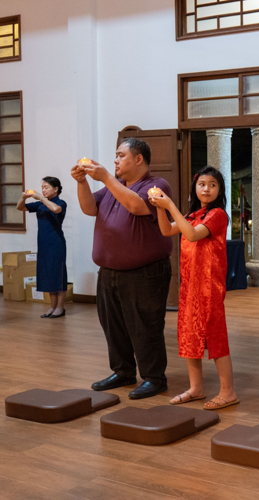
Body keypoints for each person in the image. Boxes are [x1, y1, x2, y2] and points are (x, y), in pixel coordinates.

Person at [72, 137, 172, 400]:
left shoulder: (155, 185)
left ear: (138, 159)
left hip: (145, 271)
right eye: (114, 156)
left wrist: (106, 177)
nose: (115, 160)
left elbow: (136, 206)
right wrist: (82, 182)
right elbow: (88, 207)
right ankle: (123, 371)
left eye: (120, 155)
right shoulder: (111, 189)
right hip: (108, 270)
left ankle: (154, 378)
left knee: (145, 326)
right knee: (113, 325)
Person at [149, 166, 238, 410]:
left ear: (219, 190)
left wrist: (169, 206)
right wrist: (159, 207)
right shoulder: (193, 214)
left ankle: (228, 392)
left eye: (212, 185)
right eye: (202, 184)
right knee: (189, 334)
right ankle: (196, 388)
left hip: (210, 287)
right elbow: (167, 230)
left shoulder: (217, 214)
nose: (206, 189)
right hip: (190, 286)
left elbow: (191, 235)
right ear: (195, 188)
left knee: (215, 336)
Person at [16, 177, 68, 318]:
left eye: (46, 187)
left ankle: (60, 307)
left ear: (55, 189)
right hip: (43, 244)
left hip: (56, 244)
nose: (43, 190)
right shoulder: (40, 205)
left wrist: (41, 198)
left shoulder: (60, 202)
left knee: (58, 274)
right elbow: (19, 207)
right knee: (48, 274)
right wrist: (23, 197)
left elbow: (56, 209)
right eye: (42, 187)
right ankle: (52, 307)